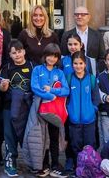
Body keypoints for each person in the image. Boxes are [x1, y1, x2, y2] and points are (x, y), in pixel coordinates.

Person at [31, 44, 69, 176]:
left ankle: (55, 164)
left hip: (54, 111)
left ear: (58, 58)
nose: (51, 59)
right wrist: (49, 96)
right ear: (45, 56)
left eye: (55, 56)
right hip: (40, 109)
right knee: (42, 137)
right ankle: (44, 164)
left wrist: (52, 90)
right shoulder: (37, 69)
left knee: (54, 137)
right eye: (49, 55)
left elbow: (66, 90)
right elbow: (34, 87)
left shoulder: (59, 73)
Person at [0, 41, 34, 178]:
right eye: (14, 53)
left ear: (24, 52)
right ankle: (10, 162)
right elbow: (2, 89)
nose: (17, 55)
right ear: (10, 54)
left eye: (19, 52)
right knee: (10, 136)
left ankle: (33, 161)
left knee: (30, 135)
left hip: (28, 107)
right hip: (10, 106)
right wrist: (3, 85)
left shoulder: (32, 66)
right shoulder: (7, 68)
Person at [65, 52, 98, 175]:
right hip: (74, 120)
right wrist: (69, 110)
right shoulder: (69, 78)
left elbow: (96, 98)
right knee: (75, 145)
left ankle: (89, 170)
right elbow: (66, 98)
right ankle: (78, 169)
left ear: (85, 64)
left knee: (89, 145)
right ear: (72, 64)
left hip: (89, 120)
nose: (78, 66)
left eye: (80, 63)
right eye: (75, 63)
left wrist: (92, 110)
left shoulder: (91, 79)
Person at [61, 6, 102, 72]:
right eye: (77, 14)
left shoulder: (97, 35)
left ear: (88, 17)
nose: (79, 17)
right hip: (70, 72)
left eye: (83, 14)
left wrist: (95, 71)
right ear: (74, 17)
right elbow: (63, 54)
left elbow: (101, 57)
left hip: (91, 73)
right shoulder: (66, 35)